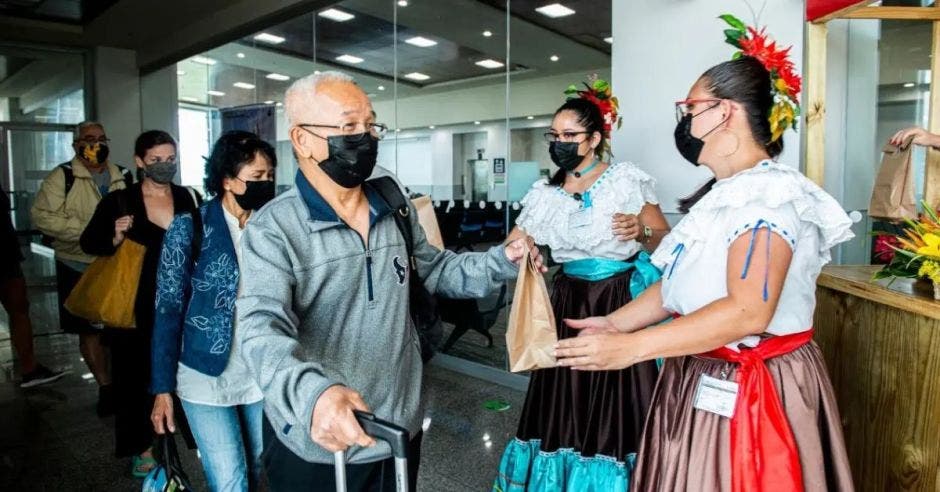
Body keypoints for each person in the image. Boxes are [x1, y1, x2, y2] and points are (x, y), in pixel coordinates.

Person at [555, 51, 856, 490]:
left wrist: (632, 349)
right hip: (706, 372)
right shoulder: (725, 195)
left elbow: (747, 312)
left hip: (753, 384)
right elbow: (674, 287)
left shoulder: (766, 196)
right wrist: (613, 323)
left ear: (725, 112)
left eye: (692, 108)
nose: (687, 121)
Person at [237, 71, 543, 492]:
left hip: (400, 428)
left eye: (370, 124)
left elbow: (434, 271)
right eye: (348, 127)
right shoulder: (275, 229)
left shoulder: (391, 198)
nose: (364, 138)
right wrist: (314, 396)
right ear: (302, 140)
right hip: (322, 441)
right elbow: (259, 329)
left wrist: (502, 260)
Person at [494, 84, 670, 490]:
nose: (560, 143)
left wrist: (640, 230)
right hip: (567, 298)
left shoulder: (625, 180)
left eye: (570, 136)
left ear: (594, 140)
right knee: (566, 397)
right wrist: (527, 253)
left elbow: (664, 238)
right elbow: (512, 243)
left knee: (617, 397)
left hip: (618, 299)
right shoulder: (545, 193)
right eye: (554, 136)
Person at [150, 131, 276, 492]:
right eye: (256, 178)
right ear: (226, 180)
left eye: (269, 177)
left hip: (259, 371)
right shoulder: (189, 227)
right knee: (229, 476)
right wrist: (162, 389)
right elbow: (167, 310)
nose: (265, 185)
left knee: (257, 464)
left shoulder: (273, 228)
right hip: (204, 373)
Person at [81, 130, 201, 478]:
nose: (165, 166)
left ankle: (191, 436)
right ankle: (143, 447)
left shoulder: (187, 197)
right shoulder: (121, 201)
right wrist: (116, 235)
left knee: (182, 370)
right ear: (139, 162)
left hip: (181, 299)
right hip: (135, 305)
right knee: (134, 376)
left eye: (170, 159)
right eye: (156, 161)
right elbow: (89, 242)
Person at [31, 121, 132, 414]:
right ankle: (105, 387)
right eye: (89, 139)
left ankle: (122, 383)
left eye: (101, 139)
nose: (95, 144)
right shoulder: (62, 176)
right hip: (76, 262)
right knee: (89, 330)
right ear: (76, 144)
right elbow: (43, 216)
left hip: (114, 263)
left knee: (118, 325)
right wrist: (90, 232)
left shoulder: (121, 174)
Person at [2, 183, 68, 387]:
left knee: (19, 307)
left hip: (6, 254)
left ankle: (30, 369)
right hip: (7, 255)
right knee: (18, 307)